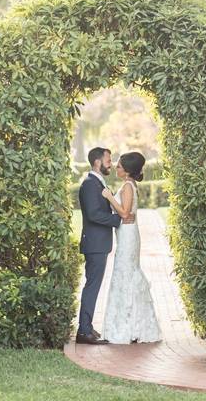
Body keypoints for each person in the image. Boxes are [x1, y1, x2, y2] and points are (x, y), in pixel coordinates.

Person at [99, 151, 162, 344]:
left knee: (125, 274)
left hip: (128, 236)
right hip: (128, 233)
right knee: (127, 274)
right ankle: (134, 324)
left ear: (127, 171)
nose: (116, 168)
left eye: (118, 166)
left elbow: (125, 213)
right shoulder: (130, 185)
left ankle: (127, 327)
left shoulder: (127, 186)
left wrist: (109, 197)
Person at [75, 146, 133, 345]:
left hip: (99, 243)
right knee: (92, 286)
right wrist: (117, 219)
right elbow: (93, 214)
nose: (111, 163)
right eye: (108, 160)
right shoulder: (90, 184)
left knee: (94, 286)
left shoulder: (98, 182)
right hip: (94, 244)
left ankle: (87, 327)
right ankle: (83, 332)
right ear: (98, 162)